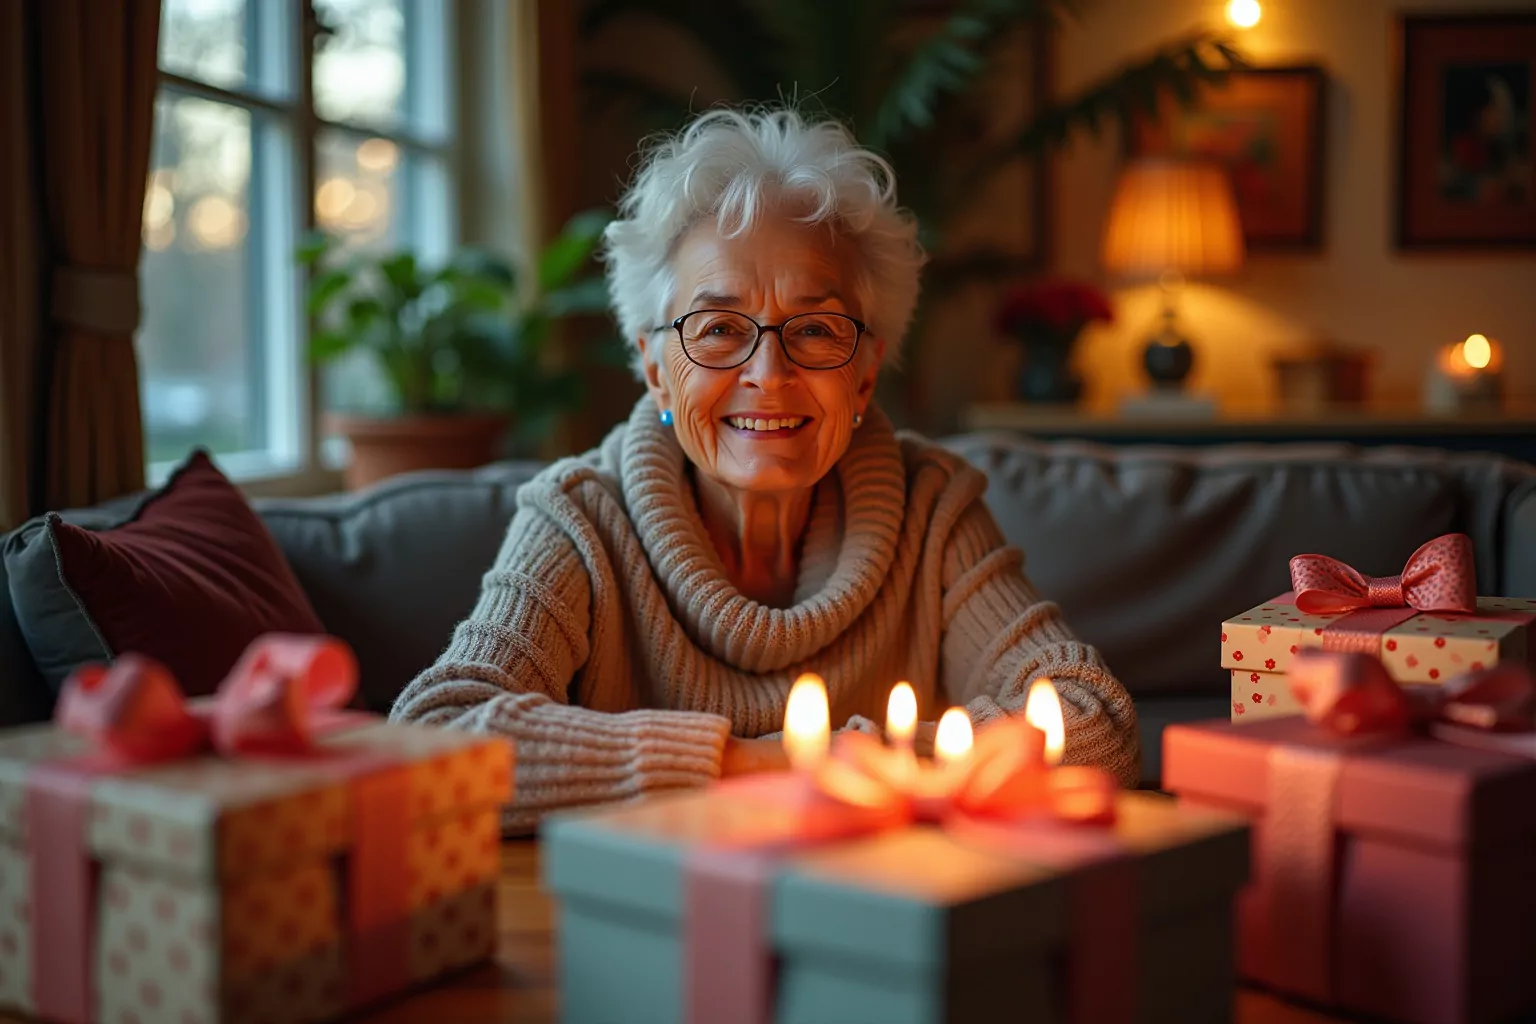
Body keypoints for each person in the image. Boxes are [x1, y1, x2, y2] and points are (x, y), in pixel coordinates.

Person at [390, 106, 1139, 832]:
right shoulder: (580, 518)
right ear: (655, 370)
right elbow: (433, 738)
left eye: (814, 329)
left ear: (865, 375)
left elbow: (1093, 721)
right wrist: (766, 766)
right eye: (718, 328)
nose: (768, 373)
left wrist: (843, 764)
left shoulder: (932, 507)